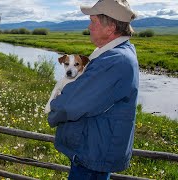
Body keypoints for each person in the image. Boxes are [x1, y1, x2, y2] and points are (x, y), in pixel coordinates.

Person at [47, 0, 139, 179]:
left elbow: (71, 104)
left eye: (93, 21)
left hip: (92, 152)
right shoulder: (118, 53)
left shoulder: (115, 60)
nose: (89, 26)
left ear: (110, 27)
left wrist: (52, 108)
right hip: (94, 147)